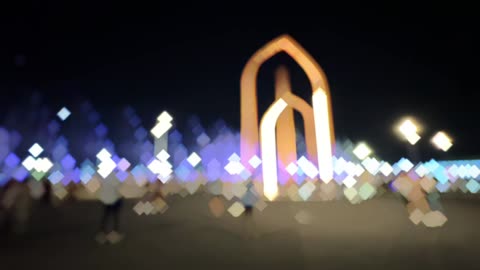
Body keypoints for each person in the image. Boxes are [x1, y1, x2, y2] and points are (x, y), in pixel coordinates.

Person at [96, 177, 124, 244]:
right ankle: (115, 233)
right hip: (115, 198)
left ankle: (102, 232)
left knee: (106, 215)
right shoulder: (116, 176)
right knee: (115, 216)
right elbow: (119, 187)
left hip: (107, 197)